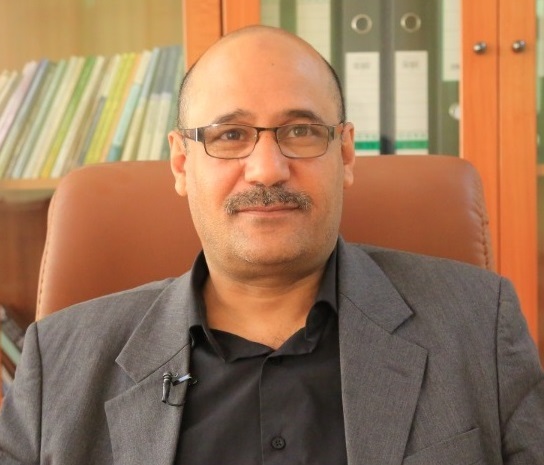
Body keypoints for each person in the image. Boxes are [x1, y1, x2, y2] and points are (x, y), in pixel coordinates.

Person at [0, 25, 543, 465]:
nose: (267, 169)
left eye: (300, 131)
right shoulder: (61, 363)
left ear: (345, 154)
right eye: (230, 135)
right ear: (182, 163)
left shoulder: (478, 325)